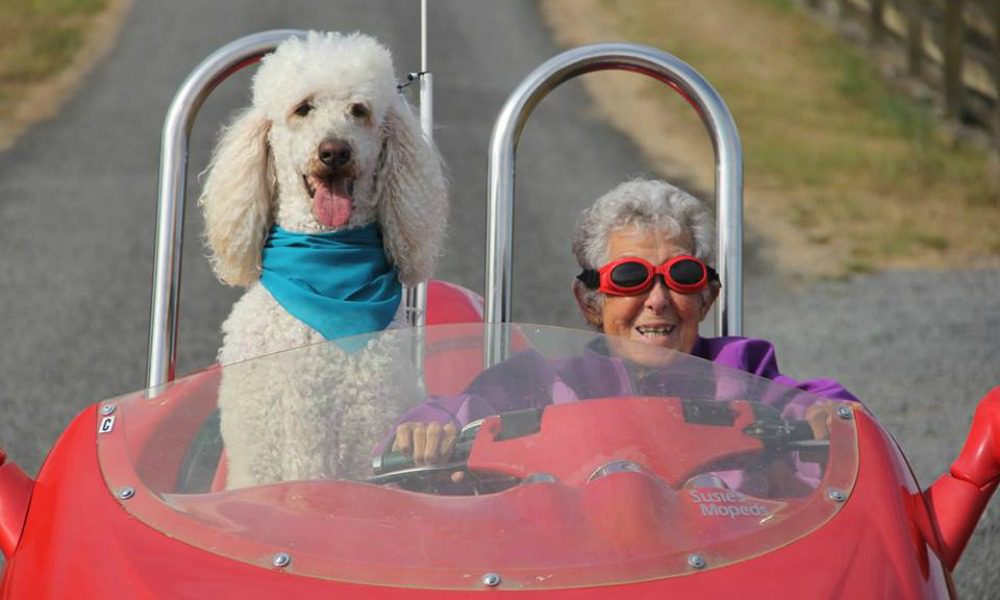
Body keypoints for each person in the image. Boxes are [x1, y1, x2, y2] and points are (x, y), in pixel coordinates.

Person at [393, 179, 858, 490]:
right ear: (590, 303)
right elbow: (451, 415)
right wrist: (428, 429)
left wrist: (825, 416)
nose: (657, 299)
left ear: (707, 298)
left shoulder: (742, 371)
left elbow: (828, 408)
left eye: (681, 275)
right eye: (631, 276)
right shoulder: (536, 384)